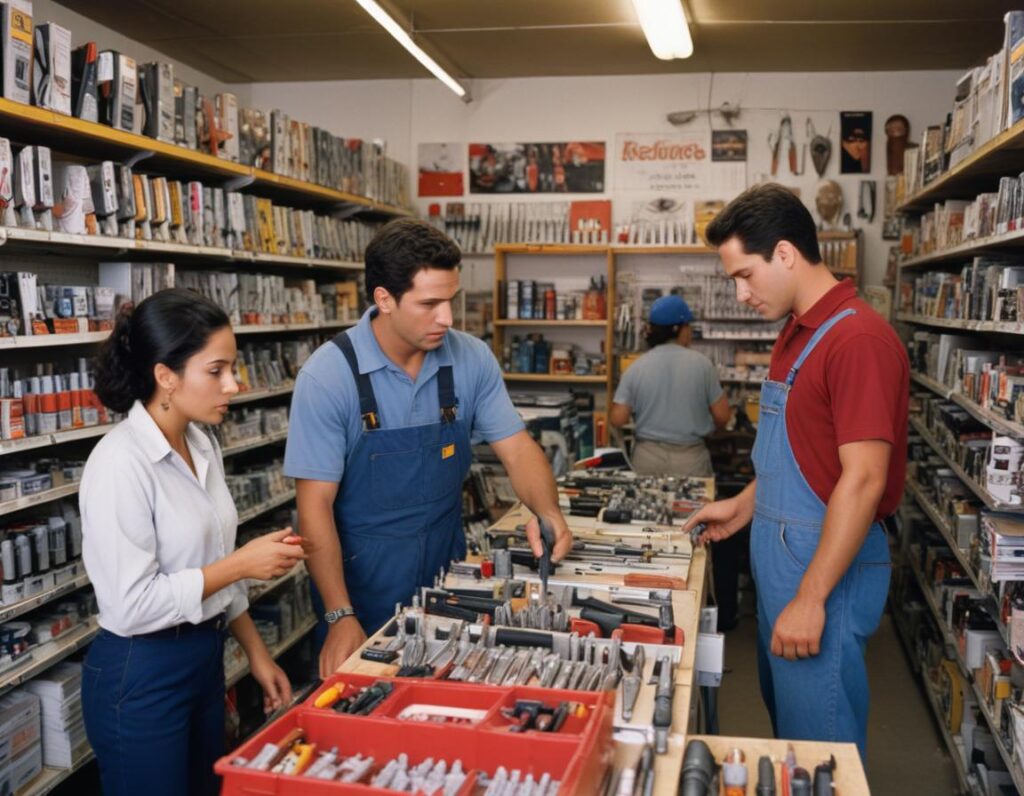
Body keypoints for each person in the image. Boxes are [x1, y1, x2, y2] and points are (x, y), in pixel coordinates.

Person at [284, 218, 574, 678]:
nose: (448, 318)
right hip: (361, 589)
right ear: (384, 299)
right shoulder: (329, 377)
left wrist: (548, 511)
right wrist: (340, 615)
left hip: (449, 579)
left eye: (451, 301)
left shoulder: (469, 357)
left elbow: (518, 449)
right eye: (429, 304)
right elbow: (313, 506)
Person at [689, 184, 908, 757]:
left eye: (744, 275)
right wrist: (746, 505)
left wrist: (811, 598)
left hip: (822, 573)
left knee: (821, 751)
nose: (740, 294)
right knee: (793, 739)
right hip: (785, 562)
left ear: (785, 253)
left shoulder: (857, 339)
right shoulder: (797, 331)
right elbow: (810, 451)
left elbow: (863, 479)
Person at [79, 289, 305, 795]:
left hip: (203, 662)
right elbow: (133, 604)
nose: (234, 383)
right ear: (166, 376)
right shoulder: (120, 464)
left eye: (235, 367)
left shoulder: (203, 444)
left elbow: (214, 570)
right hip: (140, 673)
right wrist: (242, 564)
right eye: (216, 370)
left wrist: (258, 655)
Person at [609, 294, 731, 477]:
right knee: (694, 506)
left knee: (645, 505)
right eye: (688, 326)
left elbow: (618, 418)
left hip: (647, 459)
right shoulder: (703, 365)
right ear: (679, 329)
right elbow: (723, 416)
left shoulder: (636, 367)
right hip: (690, 460)